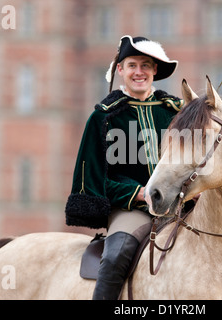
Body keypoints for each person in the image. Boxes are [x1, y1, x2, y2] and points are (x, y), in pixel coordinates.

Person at [65, 35, 183, 300]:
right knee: (117, 253)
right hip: (131, 209)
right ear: (120, 69)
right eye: (132, 65)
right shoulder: (103, 117)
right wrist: (140, 193)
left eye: (145, 65)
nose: (138, 72)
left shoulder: (176, 113)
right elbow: (95, 180)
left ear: (154, 70)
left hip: (180, 208)